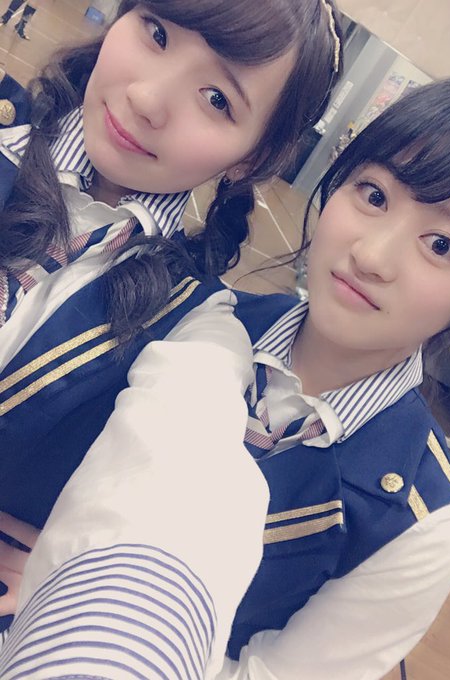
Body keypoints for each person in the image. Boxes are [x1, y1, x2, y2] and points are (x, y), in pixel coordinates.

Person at [3, 75, 450, 679]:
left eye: (442, 246)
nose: (372, 256)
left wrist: (86, 603)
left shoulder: (425, 518)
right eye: (374, 195)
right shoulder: (183, 309)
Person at [0, 0, 342, 671]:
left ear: (252, 158)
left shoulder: (199, 328)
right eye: (155, 33)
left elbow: (184, 491)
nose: (149, 99)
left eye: (217, 99)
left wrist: (92, 604)